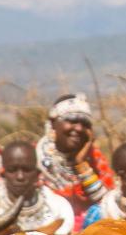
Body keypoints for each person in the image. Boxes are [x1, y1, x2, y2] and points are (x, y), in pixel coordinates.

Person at [38, 96, 116, 227]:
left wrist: (80, 164)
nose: (79, 128)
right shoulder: (33, 158)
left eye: (85, 124)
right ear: (53, 123)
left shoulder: (94, 158)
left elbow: (108, 206)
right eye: (72, 120)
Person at [0, 141, 77, 235]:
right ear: (3, 174)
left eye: (26, 170)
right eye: (12, 170)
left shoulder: (58, 207)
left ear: (37, 173)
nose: (20, 177)